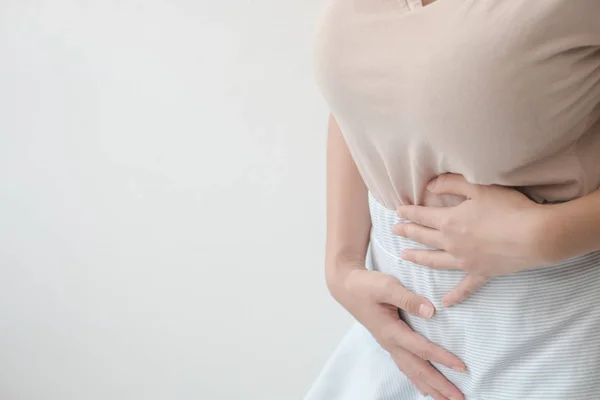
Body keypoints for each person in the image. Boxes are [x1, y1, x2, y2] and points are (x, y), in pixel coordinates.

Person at [305, 0, 600, 399]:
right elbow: (364, 96)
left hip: (554, 336)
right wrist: (341, 265)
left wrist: (547, 235)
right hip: (393, 337)